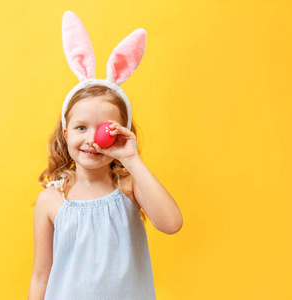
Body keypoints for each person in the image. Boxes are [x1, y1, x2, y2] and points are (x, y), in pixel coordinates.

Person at [28, 11, 182, 300]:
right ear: (65, 131)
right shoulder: (52, 199)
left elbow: (172, 223)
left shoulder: (129, 187)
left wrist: (132, 160)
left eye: (104, 130)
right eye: (81, 127)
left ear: (121, 132)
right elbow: (41, 275)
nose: (91, 140)